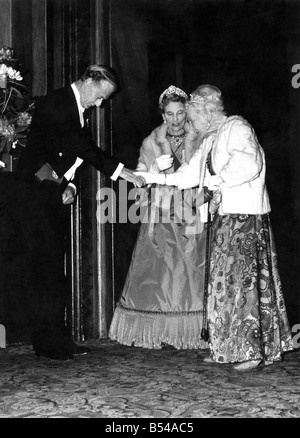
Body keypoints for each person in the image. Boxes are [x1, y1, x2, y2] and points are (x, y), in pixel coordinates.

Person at [136, 84, 294, 369]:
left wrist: (216, 181)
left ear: (205, 112)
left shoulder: (236, 127)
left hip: (245, 218)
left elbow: (250, 164)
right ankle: (228, 347)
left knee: (243, 284)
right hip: (224, 218)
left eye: (192, 117)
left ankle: (252, 351)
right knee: (223, 285)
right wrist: (151, 178)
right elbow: (187, 175)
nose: (189, 124)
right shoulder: (210, 140)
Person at [10, 64, 144, 360]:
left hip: (49, 194)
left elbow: (63, 155)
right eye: (99, 96)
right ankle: (48, 342)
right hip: (34, 197)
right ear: (87, 81)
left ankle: (55, 340)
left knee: (54, 270)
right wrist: (121, 171)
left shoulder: (75, 108)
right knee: (44, 271)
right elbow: (78, 146)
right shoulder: (57, 102)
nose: (99, 104)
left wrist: (67, 184)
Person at [109, 85, 209, 350]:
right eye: (169, 114)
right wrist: (152, 169)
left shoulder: (201, 139)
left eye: (180, 113)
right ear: (163, 115)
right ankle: (160, 333)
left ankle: (194, 332)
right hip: (161, 213)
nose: (175, 119)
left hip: (190, 212)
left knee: (190, 271)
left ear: (187, 113)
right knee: (160, 275)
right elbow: (138, 179)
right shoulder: (151, 142)